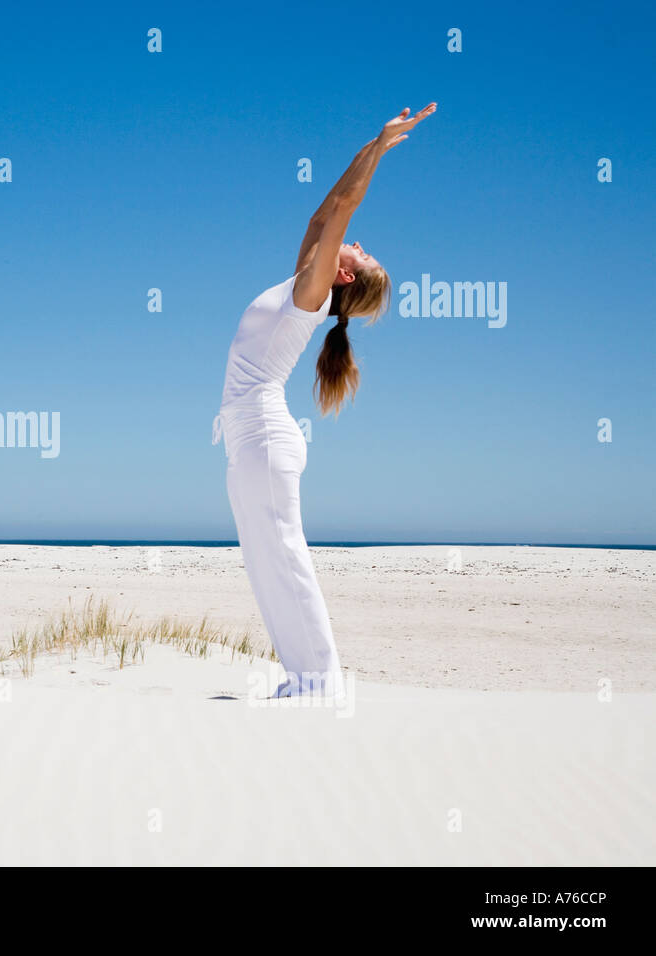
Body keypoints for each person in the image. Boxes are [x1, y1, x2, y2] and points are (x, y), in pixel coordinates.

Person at [217, 103, 437, 697]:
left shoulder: (311, 295)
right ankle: (304, 680)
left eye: (359, 253)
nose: (354, 243)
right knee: (267, 570)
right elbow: (323, 213)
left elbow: (342, 209)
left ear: (343, 278)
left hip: (263, 439)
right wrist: (375, 147)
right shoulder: (303, 284)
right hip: (248, 443)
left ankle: (321, 684)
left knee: (285, 559)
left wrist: (380, 146)